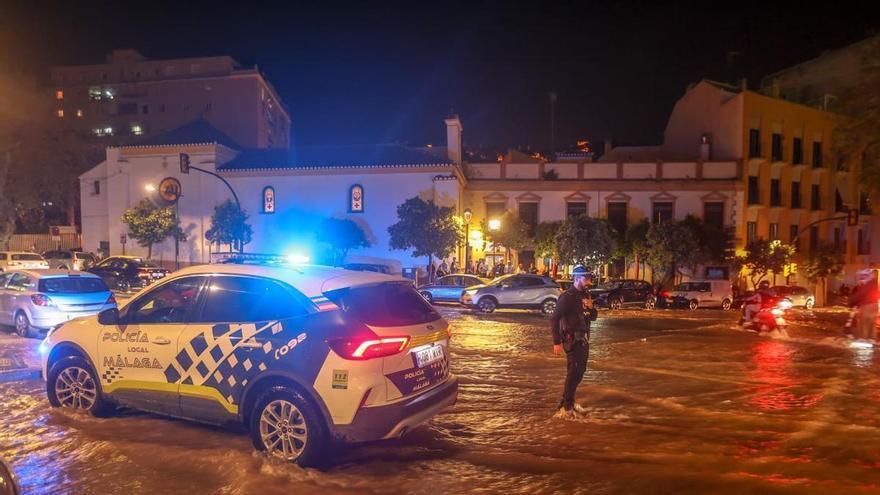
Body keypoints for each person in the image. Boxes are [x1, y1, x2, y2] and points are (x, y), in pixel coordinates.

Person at [550, 265, 598, 415]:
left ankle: (566, 403)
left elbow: (594, 317)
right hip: (572, 340)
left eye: (589, 279)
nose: (589, 282)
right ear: (576, 278)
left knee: (579, 372)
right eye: (586, 278)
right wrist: (556, 342)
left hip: (583, 340)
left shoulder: (585, 295)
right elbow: (554, 318)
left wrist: (591, 308)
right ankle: (567, 408)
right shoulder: (567, 297)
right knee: (574, 373)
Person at [849, 269, 879, 341]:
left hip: (867, 305)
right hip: (874, 305)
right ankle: (871, 338)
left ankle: (863, 338)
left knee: (864, 321)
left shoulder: (869, 284)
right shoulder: (874, 283)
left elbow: (861, 293)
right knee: (872, 322)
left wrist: (851, 300)